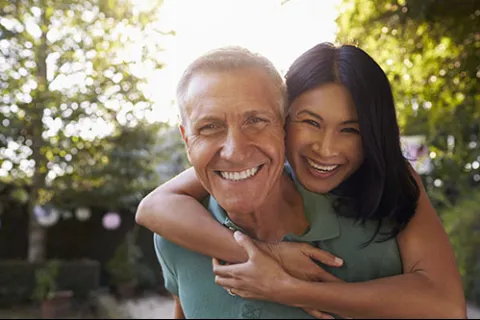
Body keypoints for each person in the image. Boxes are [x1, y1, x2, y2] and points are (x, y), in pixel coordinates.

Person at [138, 43, 466, 319]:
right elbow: (154, 205)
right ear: (286, 121)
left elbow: (446, 306)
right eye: (310, 122)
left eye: (351, 129)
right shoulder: (183, 227)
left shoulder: (390, 185)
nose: (326, 149)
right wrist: (265, 255)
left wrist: (293, 290)